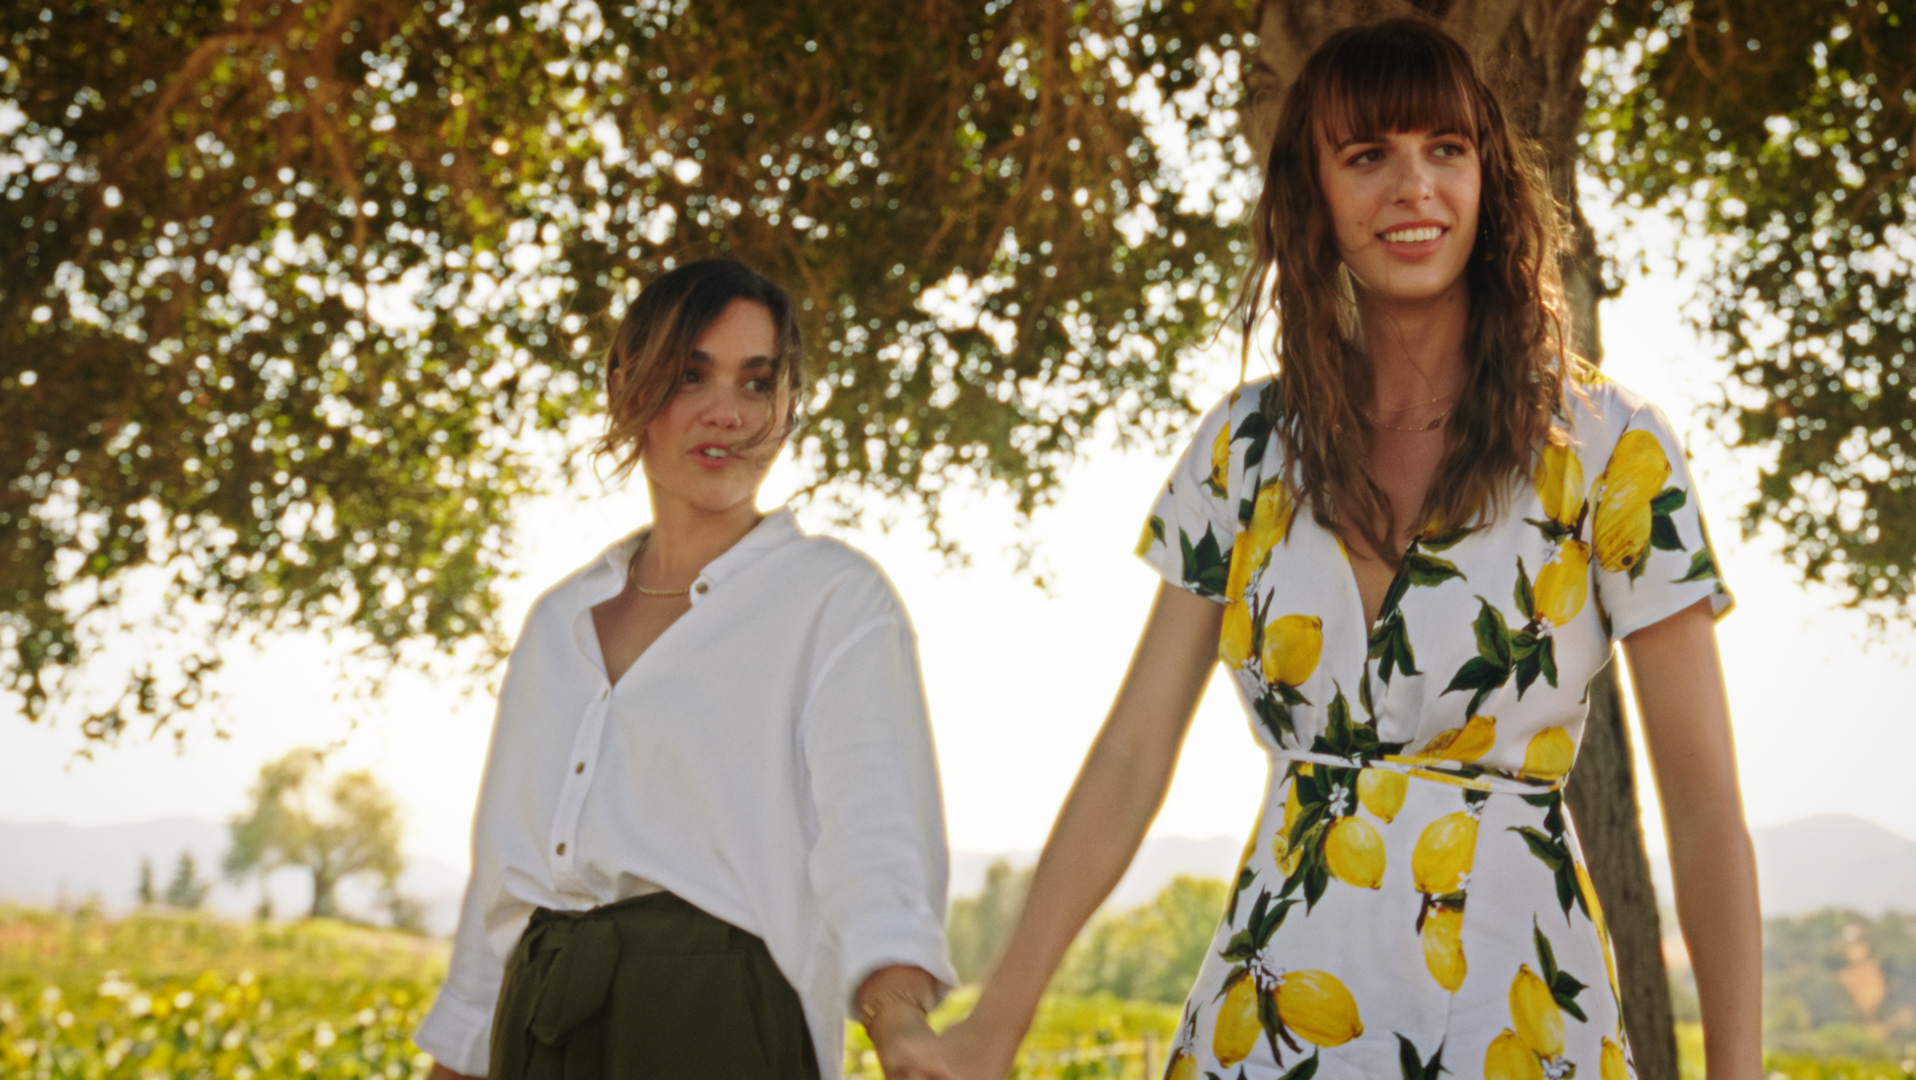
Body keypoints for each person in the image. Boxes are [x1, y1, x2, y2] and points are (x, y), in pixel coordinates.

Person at [938, 20, 1760, 1080]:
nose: (1414, 186)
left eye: (1445, 149)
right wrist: (993, 1030)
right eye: (1369, 155)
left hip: (1512, 1023)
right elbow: (1130, 759)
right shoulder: (1243, 447)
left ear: (1488, 178)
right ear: (1312, 195)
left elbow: (1705, 806)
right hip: (1269, 1024)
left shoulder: (1612, 447)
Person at [415, 258, 958, 1080]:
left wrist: (899, 1022)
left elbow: (875, 838)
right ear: (626, 388)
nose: (727, 413)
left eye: (757, 382)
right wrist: (456, 1060)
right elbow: (501, 877)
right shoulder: (557, 622)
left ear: (787, 404)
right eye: (691, 375)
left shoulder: (834, 598)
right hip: (536, 1031)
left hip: (718, 1028)